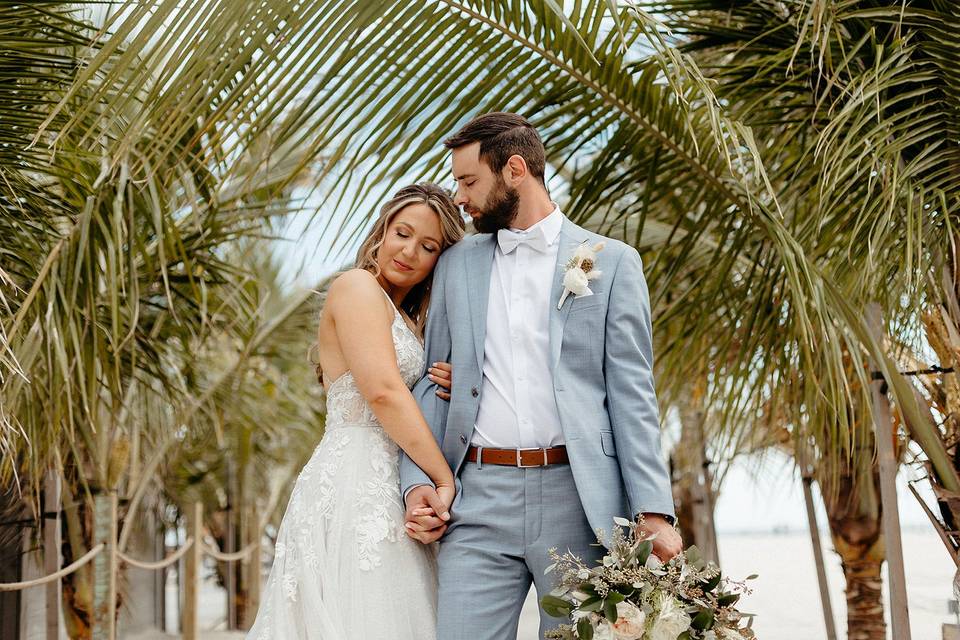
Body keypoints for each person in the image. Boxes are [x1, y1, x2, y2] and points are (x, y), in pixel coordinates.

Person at [400, 112, 682, 640]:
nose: (459, 198)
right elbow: (429, 383)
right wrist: (417, 485)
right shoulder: (457, 264)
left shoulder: (613, 263)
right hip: (476, 499)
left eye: (467, 181)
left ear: (513, 170)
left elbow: (633, 395)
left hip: (579, 500)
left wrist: (654, 511)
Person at [246, 182, 464, 640]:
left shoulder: (411, 319)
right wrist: (444, 478)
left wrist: (444, 381)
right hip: (355, 477)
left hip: (398, 480)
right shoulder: (357, 285)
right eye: (402, 233)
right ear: (381, 232)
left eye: (428, 246)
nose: (409, 251)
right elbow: (384, 390)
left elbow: (407, 389)